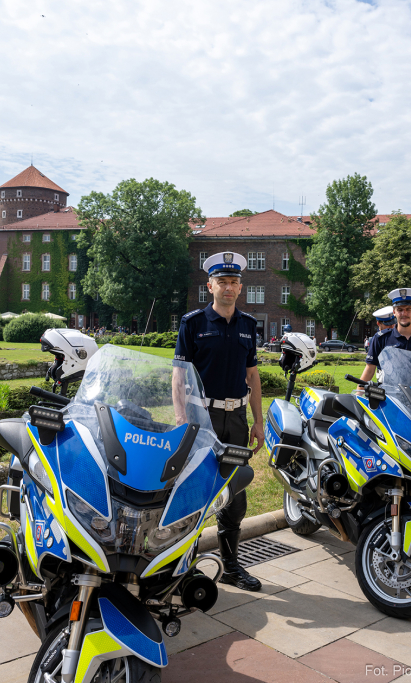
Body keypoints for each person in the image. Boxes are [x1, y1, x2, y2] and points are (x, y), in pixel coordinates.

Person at [172, 251, 263, 591]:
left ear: (240, 288)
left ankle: (231, 567)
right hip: (202, 419)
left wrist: (258, 421)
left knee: (234, 496)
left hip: (237, 420)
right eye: (222, 281)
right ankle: (184, 568)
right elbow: (178, 377)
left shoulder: (247, 325)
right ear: (209, 286)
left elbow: (252, 376)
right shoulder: (193, 323)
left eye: (234, 282)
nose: (228, 287)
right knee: (194, 493)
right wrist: (182, 418)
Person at [359, 288, 411, 382]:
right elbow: (369, 370)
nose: (404, 313)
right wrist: (358, 394)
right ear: (394, 312)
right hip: (391, 395)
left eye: (408, 309)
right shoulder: (381, 339)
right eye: (400, 309)